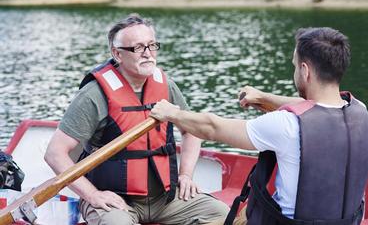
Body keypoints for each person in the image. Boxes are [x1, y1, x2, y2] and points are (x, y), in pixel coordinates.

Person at [150, 27, 368, 225]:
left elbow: (212, 127)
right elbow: (313, 107)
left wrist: (173, 113)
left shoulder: (286, 125)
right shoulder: (360, 110)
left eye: (295, 66)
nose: (295, 72)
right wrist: (263, 97)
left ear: (305, 71)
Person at [44, 13, 229, 225]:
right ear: (117, 53)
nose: (148, 54)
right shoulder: (93, 95)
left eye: (152, 45)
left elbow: (192, 131)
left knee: (220, 213)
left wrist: (185, 175)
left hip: (164, 198)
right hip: (115, 200)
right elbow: (55, 153)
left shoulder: (164, 85)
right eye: (138, 48)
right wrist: (93, 195)